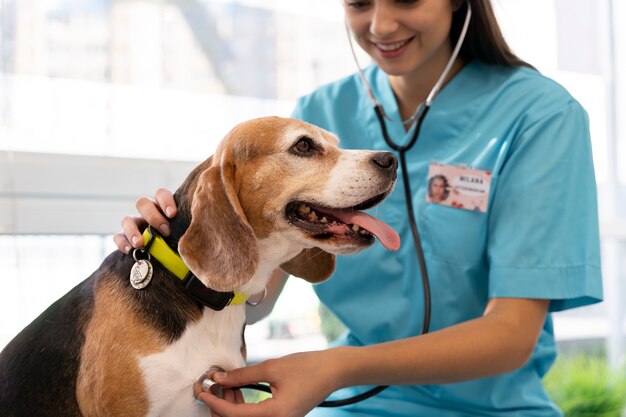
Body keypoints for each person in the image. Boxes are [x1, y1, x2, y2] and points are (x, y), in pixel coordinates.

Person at [115, 0, 603, 416]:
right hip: (355, 406)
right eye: (359, 3)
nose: (381, 25)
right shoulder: (319, 118)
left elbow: (511, 335)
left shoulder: (542, 117)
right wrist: (176, 250)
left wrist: (334, 368)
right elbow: (255, 297)